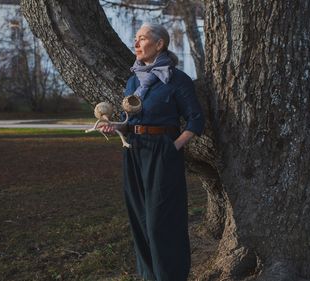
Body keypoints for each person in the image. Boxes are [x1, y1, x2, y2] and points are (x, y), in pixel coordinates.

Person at [100, 22, 204, 281]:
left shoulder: (177, 79)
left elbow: (195, 121)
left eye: (142, 38)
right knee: (140, 218)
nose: (136, 43)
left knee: (161, 221)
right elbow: (130, 120)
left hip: (162, 151)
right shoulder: (133, 79)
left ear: (159, 44)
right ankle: (149, 276)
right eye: (135, 38)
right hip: (133, 151)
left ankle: (171, 276)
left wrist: (173, 147)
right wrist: (115, 127)